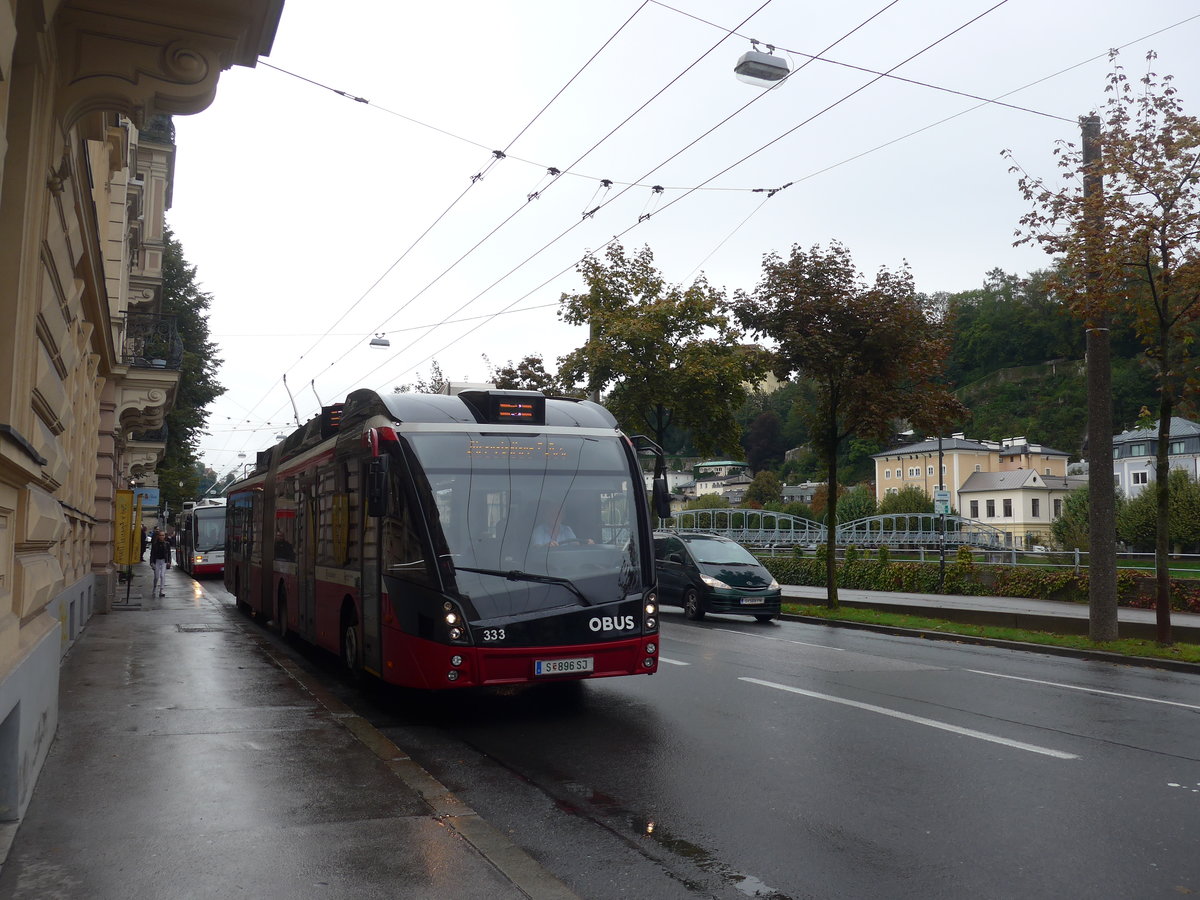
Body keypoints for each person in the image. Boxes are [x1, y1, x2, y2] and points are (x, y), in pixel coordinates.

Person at [148, 529, 171, 598]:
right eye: (160, 535)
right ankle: (154, 588)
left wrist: (169, 562)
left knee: (162, 575)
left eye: (163, 535)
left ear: (164, 536)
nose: (162, 537)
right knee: (156, 576)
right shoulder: (155, 544)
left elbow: (169, 554)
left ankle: (161, 590)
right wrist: (151, 562)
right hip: (157, 561)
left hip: (164, 561)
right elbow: (152, 554)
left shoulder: (167, 544)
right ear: (158, 536)